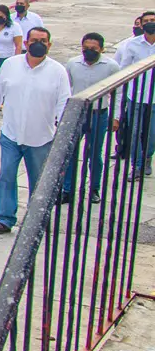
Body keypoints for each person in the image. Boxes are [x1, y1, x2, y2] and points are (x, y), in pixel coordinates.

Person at [0, 27, 71, 234]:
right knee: (6, 175)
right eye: (34, 40)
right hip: (11, 133)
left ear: (49, 45)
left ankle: (38, 218)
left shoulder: (58, 71)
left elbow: (64, 103)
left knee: (39, 180)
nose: (38, 44)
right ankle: (5, 218)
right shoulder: (11, 65)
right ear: (26, 43)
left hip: (41, 136)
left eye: (43, 40)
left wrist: (63, 130)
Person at [62, 33, 120, 205]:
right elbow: (66, 89)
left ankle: (94, 188)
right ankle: (68, 189)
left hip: (98, 114)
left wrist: (115, 117)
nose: (89, 52)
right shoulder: (73, 64)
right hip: (77, 114)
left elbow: (117, 92)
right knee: (70, 153)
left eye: (93, 49)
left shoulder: (111, 66)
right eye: (86, 48)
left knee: (94, 153)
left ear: (101, 49)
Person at [119, 11, 155, 179]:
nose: (149, 23)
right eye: (146, 21)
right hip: (137, 96)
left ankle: (147, 156)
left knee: (151, 134)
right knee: (134, 132)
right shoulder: (132, 44)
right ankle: (138, 165)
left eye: (152, 20)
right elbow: (124, 68)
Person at [0, 4, 24, 88]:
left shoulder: (15, 27)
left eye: (1, 16)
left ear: (6, 16)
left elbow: (18, 46)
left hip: (6, 58)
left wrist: (16, 61)